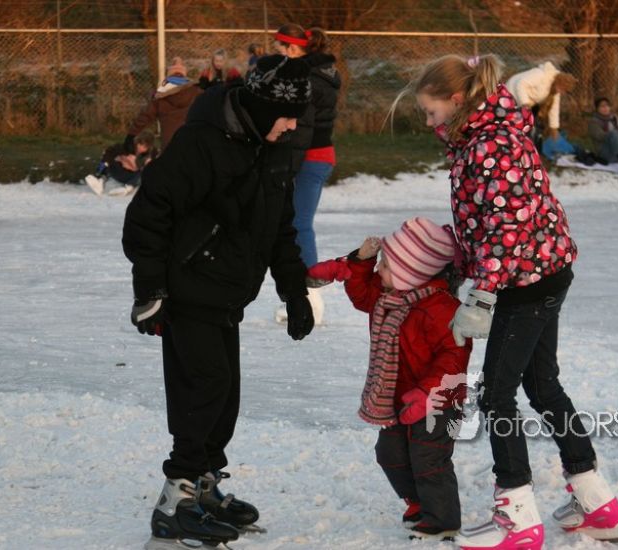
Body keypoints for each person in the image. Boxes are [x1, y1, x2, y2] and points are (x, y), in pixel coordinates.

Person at [399, 53, 618, 549]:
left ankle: (518, 519)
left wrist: (483, 294)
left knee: (497, 396)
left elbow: (508, 228)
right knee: (543, 386)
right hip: (542, 272)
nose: (428, 120)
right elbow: (489, 219)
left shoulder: (491, 144)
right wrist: (461, 263)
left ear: (456, 100)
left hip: (525, 282)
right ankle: (598, 504)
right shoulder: (483, 135)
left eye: (431, 110)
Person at [122, 54, 315, 550]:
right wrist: (150, 290)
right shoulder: (201, 143)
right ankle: (176, 501)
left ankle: (203, 485)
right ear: (262, 107)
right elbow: (147, 214)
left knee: (224, 394)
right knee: (204, 388)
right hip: (187, 289)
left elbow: (281, 228)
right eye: (287, 115)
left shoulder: (274, 149)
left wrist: (294, 291)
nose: (293, 126)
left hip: (227, 292)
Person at [307, 217, 470, 541]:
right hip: (398, 396)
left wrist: (427, 394)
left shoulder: (442, 308)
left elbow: (454, 357)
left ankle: (442, 520)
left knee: (429, 457)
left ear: (412, 273)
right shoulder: (388, 298)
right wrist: (360, 262)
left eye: (385, 266)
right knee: (390, 454)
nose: (379, 271)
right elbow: (361, 294)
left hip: (437, 401)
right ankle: (419, 502)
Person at [271, 24, 342, 325]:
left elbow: (302, 128)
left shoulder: (309, 79)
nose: (276, 54)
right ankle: (299, 294)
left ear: (293, 49)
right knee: (293, 223)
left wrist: (287, 163)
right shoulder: (319, 74)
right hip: (313, 156)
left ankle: (311, 297)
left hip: (310, 157)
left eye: (279, 49)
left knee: (299, 223)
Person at [124, 56, 203, 151]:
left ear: (169, 76)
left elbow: (146, 116)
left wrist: (131, 134)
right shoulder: (196, 92)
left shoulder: (160, 95)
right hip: (191, 140)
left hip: (168, 142)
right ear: (184, 75)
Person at [505, 61, 577, 142]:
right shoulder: (541, 75)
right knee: (513, 126)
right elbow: (521, 83)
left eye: (564, 91)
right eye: (563, 89)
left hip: (526, 103)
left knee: (527, 127)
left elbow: (554, 108)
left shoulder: (555, 89)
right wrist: (525, 103)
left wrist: (554, 128)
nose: (562, 92)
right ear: (559, 82)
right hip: (511, 93)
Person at [85, 131, 157, 197]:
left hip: (132, 178)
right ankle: (100, 181)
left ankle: (128, 188)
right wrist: (102, 166)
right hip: (119, 172)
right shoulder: (126, 147)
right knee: (108, 159)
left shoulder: (151, 154)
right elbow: (109, 152)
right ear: (137, 142)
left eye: (144, 147)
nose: (140, 148)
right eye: (140, 144)